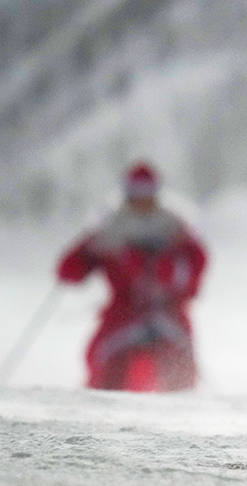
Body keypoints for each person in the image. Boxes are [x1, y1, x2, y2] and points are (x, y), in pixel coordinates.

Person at [57, 162, 207, 392]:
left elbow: (191, 275)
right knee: (104, 364)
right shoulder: (111, 229)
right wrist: (84, 257)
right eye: (136, 194)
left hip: (168, 314)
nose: (142, 201)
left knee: (180, 369)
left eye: (147, 195)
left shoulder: (174, 228)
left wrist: (156, 267)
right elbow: (71, 269)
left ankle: (180, 412)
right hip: (123, 315)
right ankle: (100, 410)